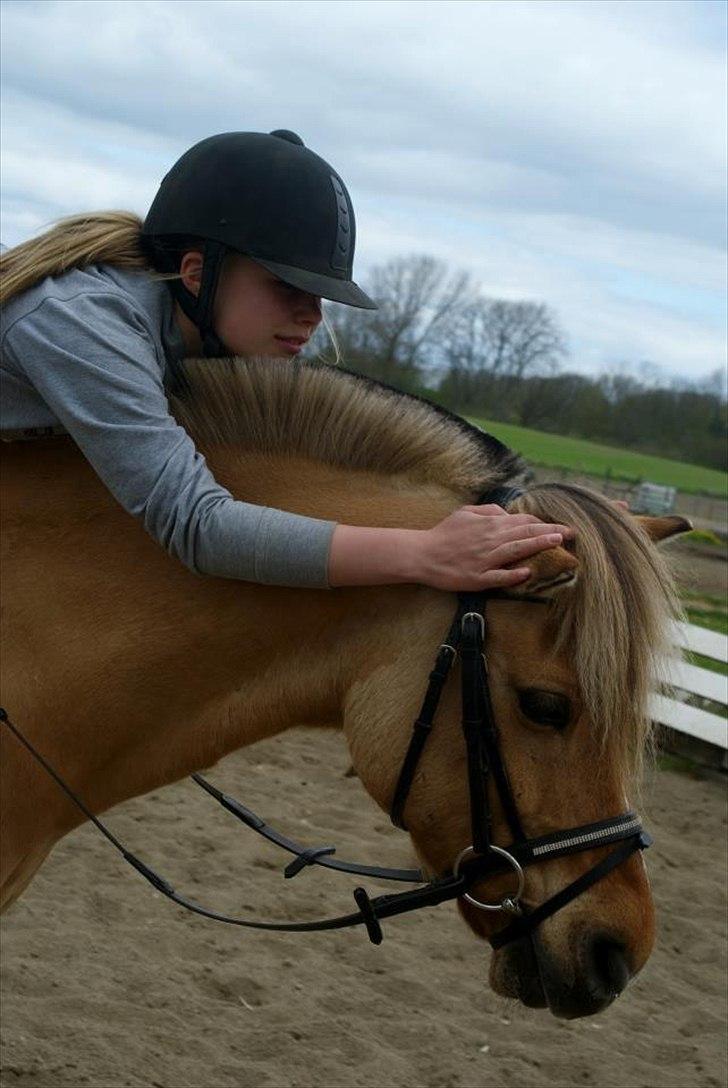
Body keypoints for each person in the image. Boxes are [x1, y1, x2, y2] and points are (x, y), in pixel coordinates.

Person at [0, 128, 572, 591]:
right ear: (197, 274)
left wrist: (524, 505)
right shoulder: (79, 324)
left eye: (319, 296)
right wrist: (424, 554)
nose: (313, 316)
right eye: (287, 287)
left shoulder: (180, 333)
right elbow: (195, 524)